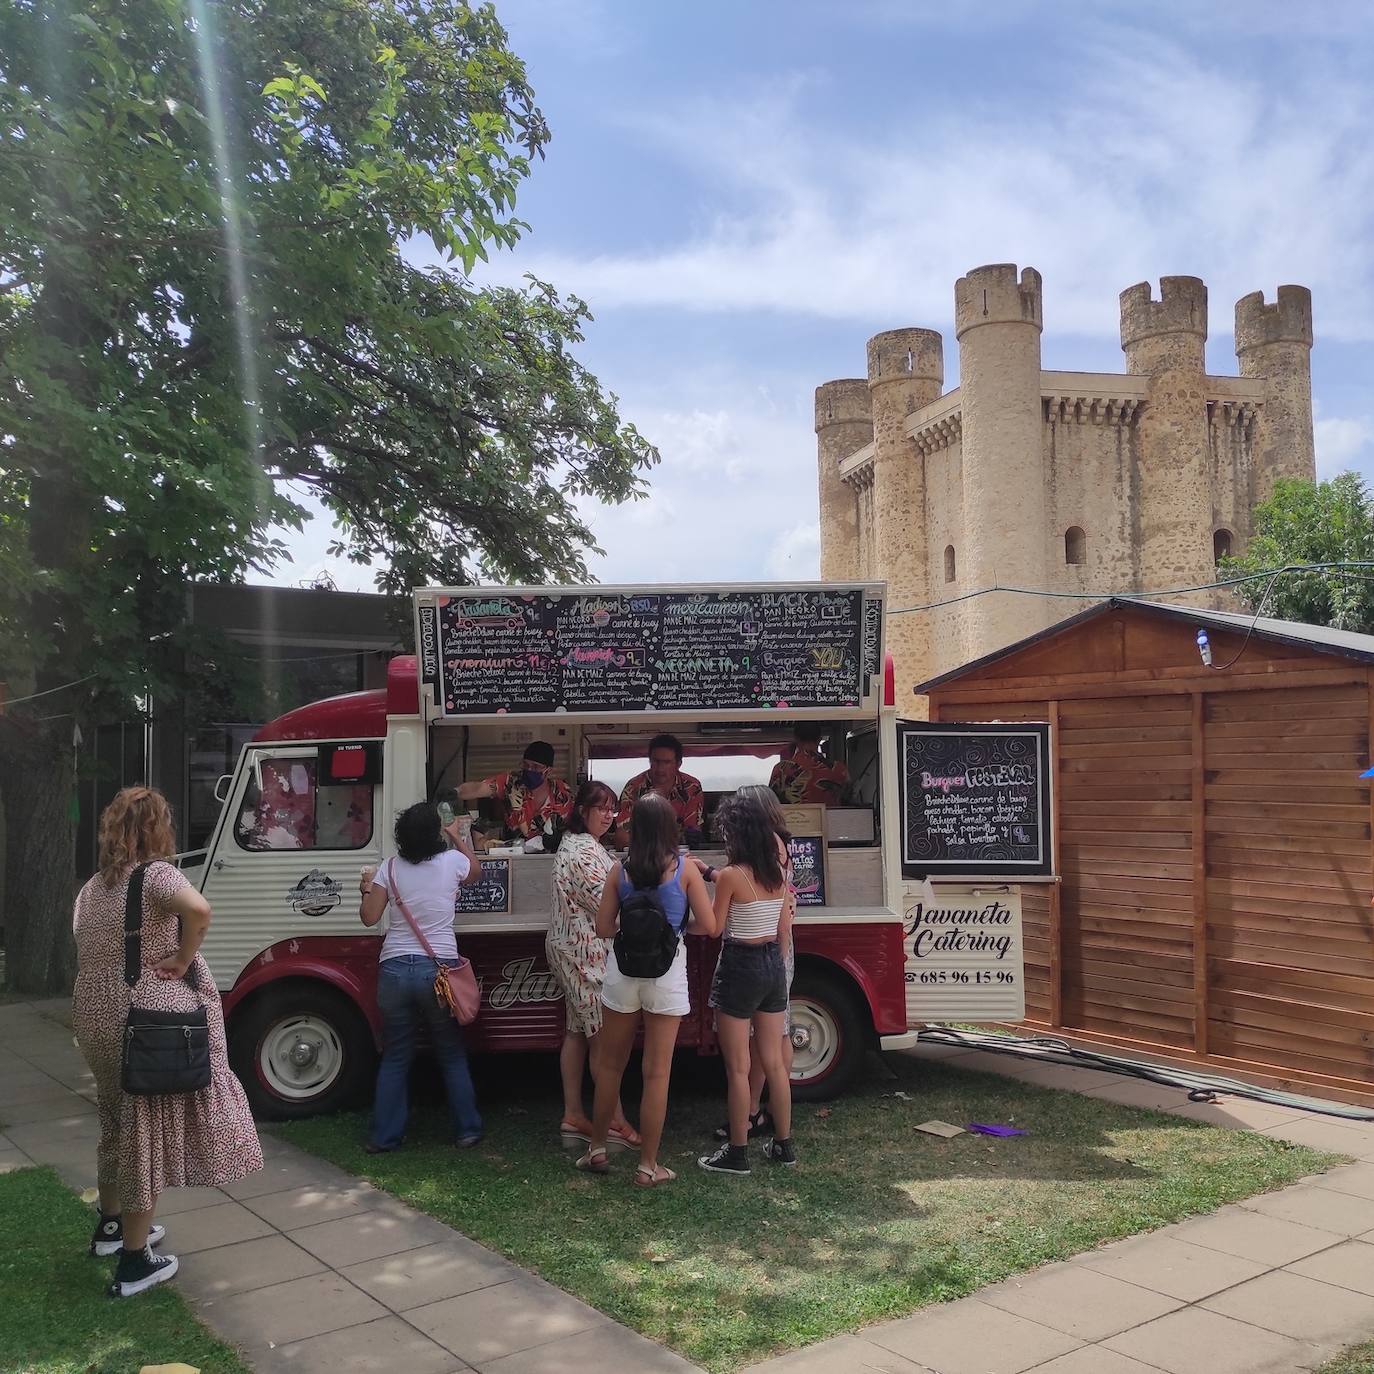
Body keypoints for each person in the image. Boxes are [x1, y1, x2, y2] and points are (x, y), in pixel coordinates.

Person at [73, 787, 263, 1298]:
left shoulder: (92, 889)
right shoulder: (155, 874)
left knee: (115, 1118)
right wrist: (181, 959)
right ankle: (135, 1262)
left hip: (92, 1012)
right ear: (157, 828)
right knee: (143, 1133)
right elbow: (201, 910)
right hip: (138, 1014)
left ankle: (111, 1228)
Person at [577, 793, 715, 1187]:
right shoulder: (684, 870)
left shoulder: (618, 872)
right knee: (657, 1074)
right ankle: (648, 1166)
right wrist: (673, 930)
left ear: (633, 828)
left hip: (622, 973)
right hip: (666, 975)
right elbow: (708, 925)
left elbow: (603, 928)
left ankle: (598, 1149)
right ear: (671, 827)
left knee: (610, 1066)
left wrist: (631, 929)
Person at [360, 801, 484, 1153]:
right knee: (450, 1052)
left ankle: (385, 1136)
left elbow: (369, 917)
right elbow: (475, 871)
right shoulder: (451, 863)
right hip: (438, 972)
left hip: (394, 969)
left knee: (397, 1055)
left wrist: (366, 889)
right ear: (433, 834)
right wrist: (456, 836)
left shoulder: (389, 868)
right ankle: (467, 1130)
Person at [698, 790, 796, 1175]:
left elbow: (714, 928)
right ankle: (784, 1146)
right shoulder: (779, 869)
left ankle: (737, 1151)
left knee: (739, 1067)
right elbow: (782, 925)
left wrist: (693, 897)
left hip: (740, 965)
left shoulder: (733, 877)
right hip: (773, 963)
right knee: (774, 1063)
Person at [547, 780, 641, 1152]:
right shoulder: (583, 852)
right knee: (602, 1041)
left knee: (576, 1032)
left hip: (575, 949)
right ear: (582, 810)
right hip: (584, 954)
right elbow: (609, 903)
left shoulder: (581, 845)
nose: (607, 815)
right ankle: (615, 1123)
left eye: (611, 809)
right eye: (601, 808)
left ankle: (574, 1115)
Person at [456, 740, 573, 849]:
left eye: (536, 766)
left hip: (552, 858)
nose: (530, 770)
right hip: (513, 854)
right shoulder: (511, 783)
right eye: (526, 765)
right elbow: (478, 788)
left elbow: (575, 826)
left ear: (549, 770)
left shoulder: (561, 792)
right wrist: (455, 792)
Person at [611, 733, 704, 845]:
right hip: (643, 852)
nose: (660, 768)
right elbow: (622, 835)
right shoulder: (633, 787)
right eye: (656, 761)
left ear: (678, 764)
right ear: (649, 760)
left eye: (666, 762)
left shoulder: (692, 787)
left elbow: (693, 830)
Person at [768, 722, 850, 807]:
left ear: (796, 738)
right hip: (833, 820)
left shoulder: (781, 769)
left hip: (795, 819)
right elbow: (850, 804)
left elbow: (771, 805)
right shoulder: (840, 769)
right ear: (819, 739)